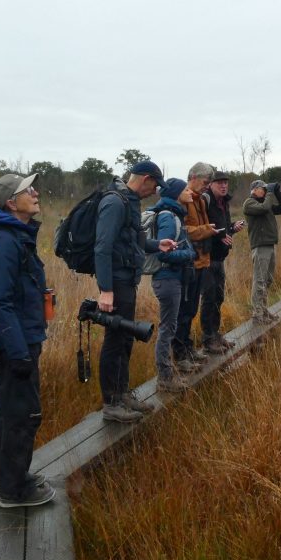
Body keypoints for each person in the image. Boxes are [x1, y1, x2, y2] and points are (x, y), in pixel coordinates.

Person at [0, 173, 55, 508]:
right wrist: (19, 352)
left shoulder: (15, 236)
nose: (35, 193)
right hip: (17, 346)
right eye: (29, 190)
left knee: (12, 412)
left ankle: (5, 479)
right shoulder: (5, 241)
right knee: (23, 414)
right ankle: (14, 491)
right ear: (12, 202)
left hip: (21, 341)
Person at [95, 161, 176, 422]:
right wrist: (106, 289)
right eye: (154, 185)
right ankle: (111, 404)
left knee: (125, 339)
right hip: (116, 283)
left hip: (128, 280)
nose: (155, 191)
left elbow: (132, 241)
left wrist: (156, 244)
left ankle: (123, 394)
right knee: (114, 340)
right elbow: (103, 247)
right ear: (145, 178)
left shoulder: (129, 202)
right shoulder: (115, 203)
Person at [148, 178, 197, 392]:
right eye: (186, 189)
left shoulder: (174, 214)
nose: (191, 193)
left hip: (170, 279)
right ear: (177, 193)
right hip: (167, 278)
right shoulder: (169, 217)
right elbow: (163, 252)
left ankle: (167, 376)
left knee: (170, 327)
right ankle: (165, 379)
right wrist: (189, 254)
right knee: (168, 329)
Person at [172, 162, 218, 366]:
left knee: (191, 309)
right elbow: (182, 233)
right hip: (187, 264)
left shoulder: (200, 200)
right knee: (183, 310)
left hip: (200, 262)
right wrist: (207, 229)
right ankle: (179, 354)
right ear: (192, 177)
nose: (207, 186)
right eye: (205, 182)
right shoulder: (182, 199)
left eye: (209, 183)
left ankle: (188, 348)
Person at [201, 170, 244, 353]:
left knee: (219, 298)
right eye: (219, 183)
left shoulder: (224, 203)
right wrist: (219, 236)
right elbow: (201, 230)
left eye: (225, 182)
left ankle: (216, 334)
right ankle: (208, 339)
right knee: (209, 298)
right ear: (210, 184)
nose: (224, 185)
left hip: (220, 259)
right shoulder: (205, 201)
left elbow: (223, 230)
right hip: (207, 258)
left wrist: (232, 228)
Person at [242, 180, 281, 324]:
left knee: (268, 280)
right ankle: (257, 314)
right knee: (260, 280)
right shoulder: (249, 203)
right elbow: (263, 208)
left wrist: (277, 192)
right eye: (262, 189)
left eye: (265, 189)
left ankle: (263, 310)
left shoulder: (265, 203)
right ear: (254, 190)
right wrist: (270, 192)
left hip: (269, 244)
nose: (264, 191)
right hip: (260, 245)